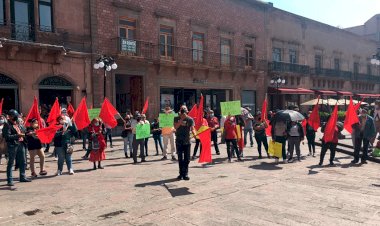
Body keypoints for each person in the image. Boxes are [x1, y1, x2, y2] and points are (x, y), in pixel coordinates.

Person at [3, 110, 31, 186]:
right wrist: (18, 136)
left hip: (21, 144)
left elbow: (24, 132)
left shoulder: (18, 123)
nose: (17, 117)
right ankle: (10, 180)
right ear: (11, 116)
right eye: (15, 116)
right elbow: (7, 137)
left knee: (23, 161)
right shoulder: (7, 125)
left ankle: (22, 176)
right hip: (13, 145)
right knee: (11, 163)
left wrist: (29, 133)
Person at [174, 105, 196, 180]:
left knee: (187, 159)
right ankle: (181, 174)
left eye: (184, 109)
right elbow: (175, 127)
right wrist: (181, 120)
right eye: (182, 109)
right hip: (179, 141)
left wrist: (195, 135)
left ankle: (185, 173)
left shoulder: (190, 119)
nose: (183, 110)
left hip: (187, 141)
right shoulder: (176, 118)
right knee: (180, 158)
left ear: (187, 111)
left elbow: (192, 128)